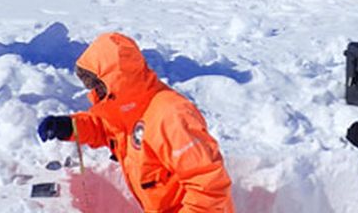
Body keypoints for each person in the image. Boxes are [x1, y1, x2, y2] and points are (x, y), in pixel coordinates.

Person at [37, 32, 234, 212]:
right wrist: (70, 126)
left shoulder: (172, 116)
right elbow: (106, 127)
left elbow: (209, 187)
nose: (93, 93)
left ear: (114, 80)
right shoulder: (128, 108)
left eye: (95, 85)